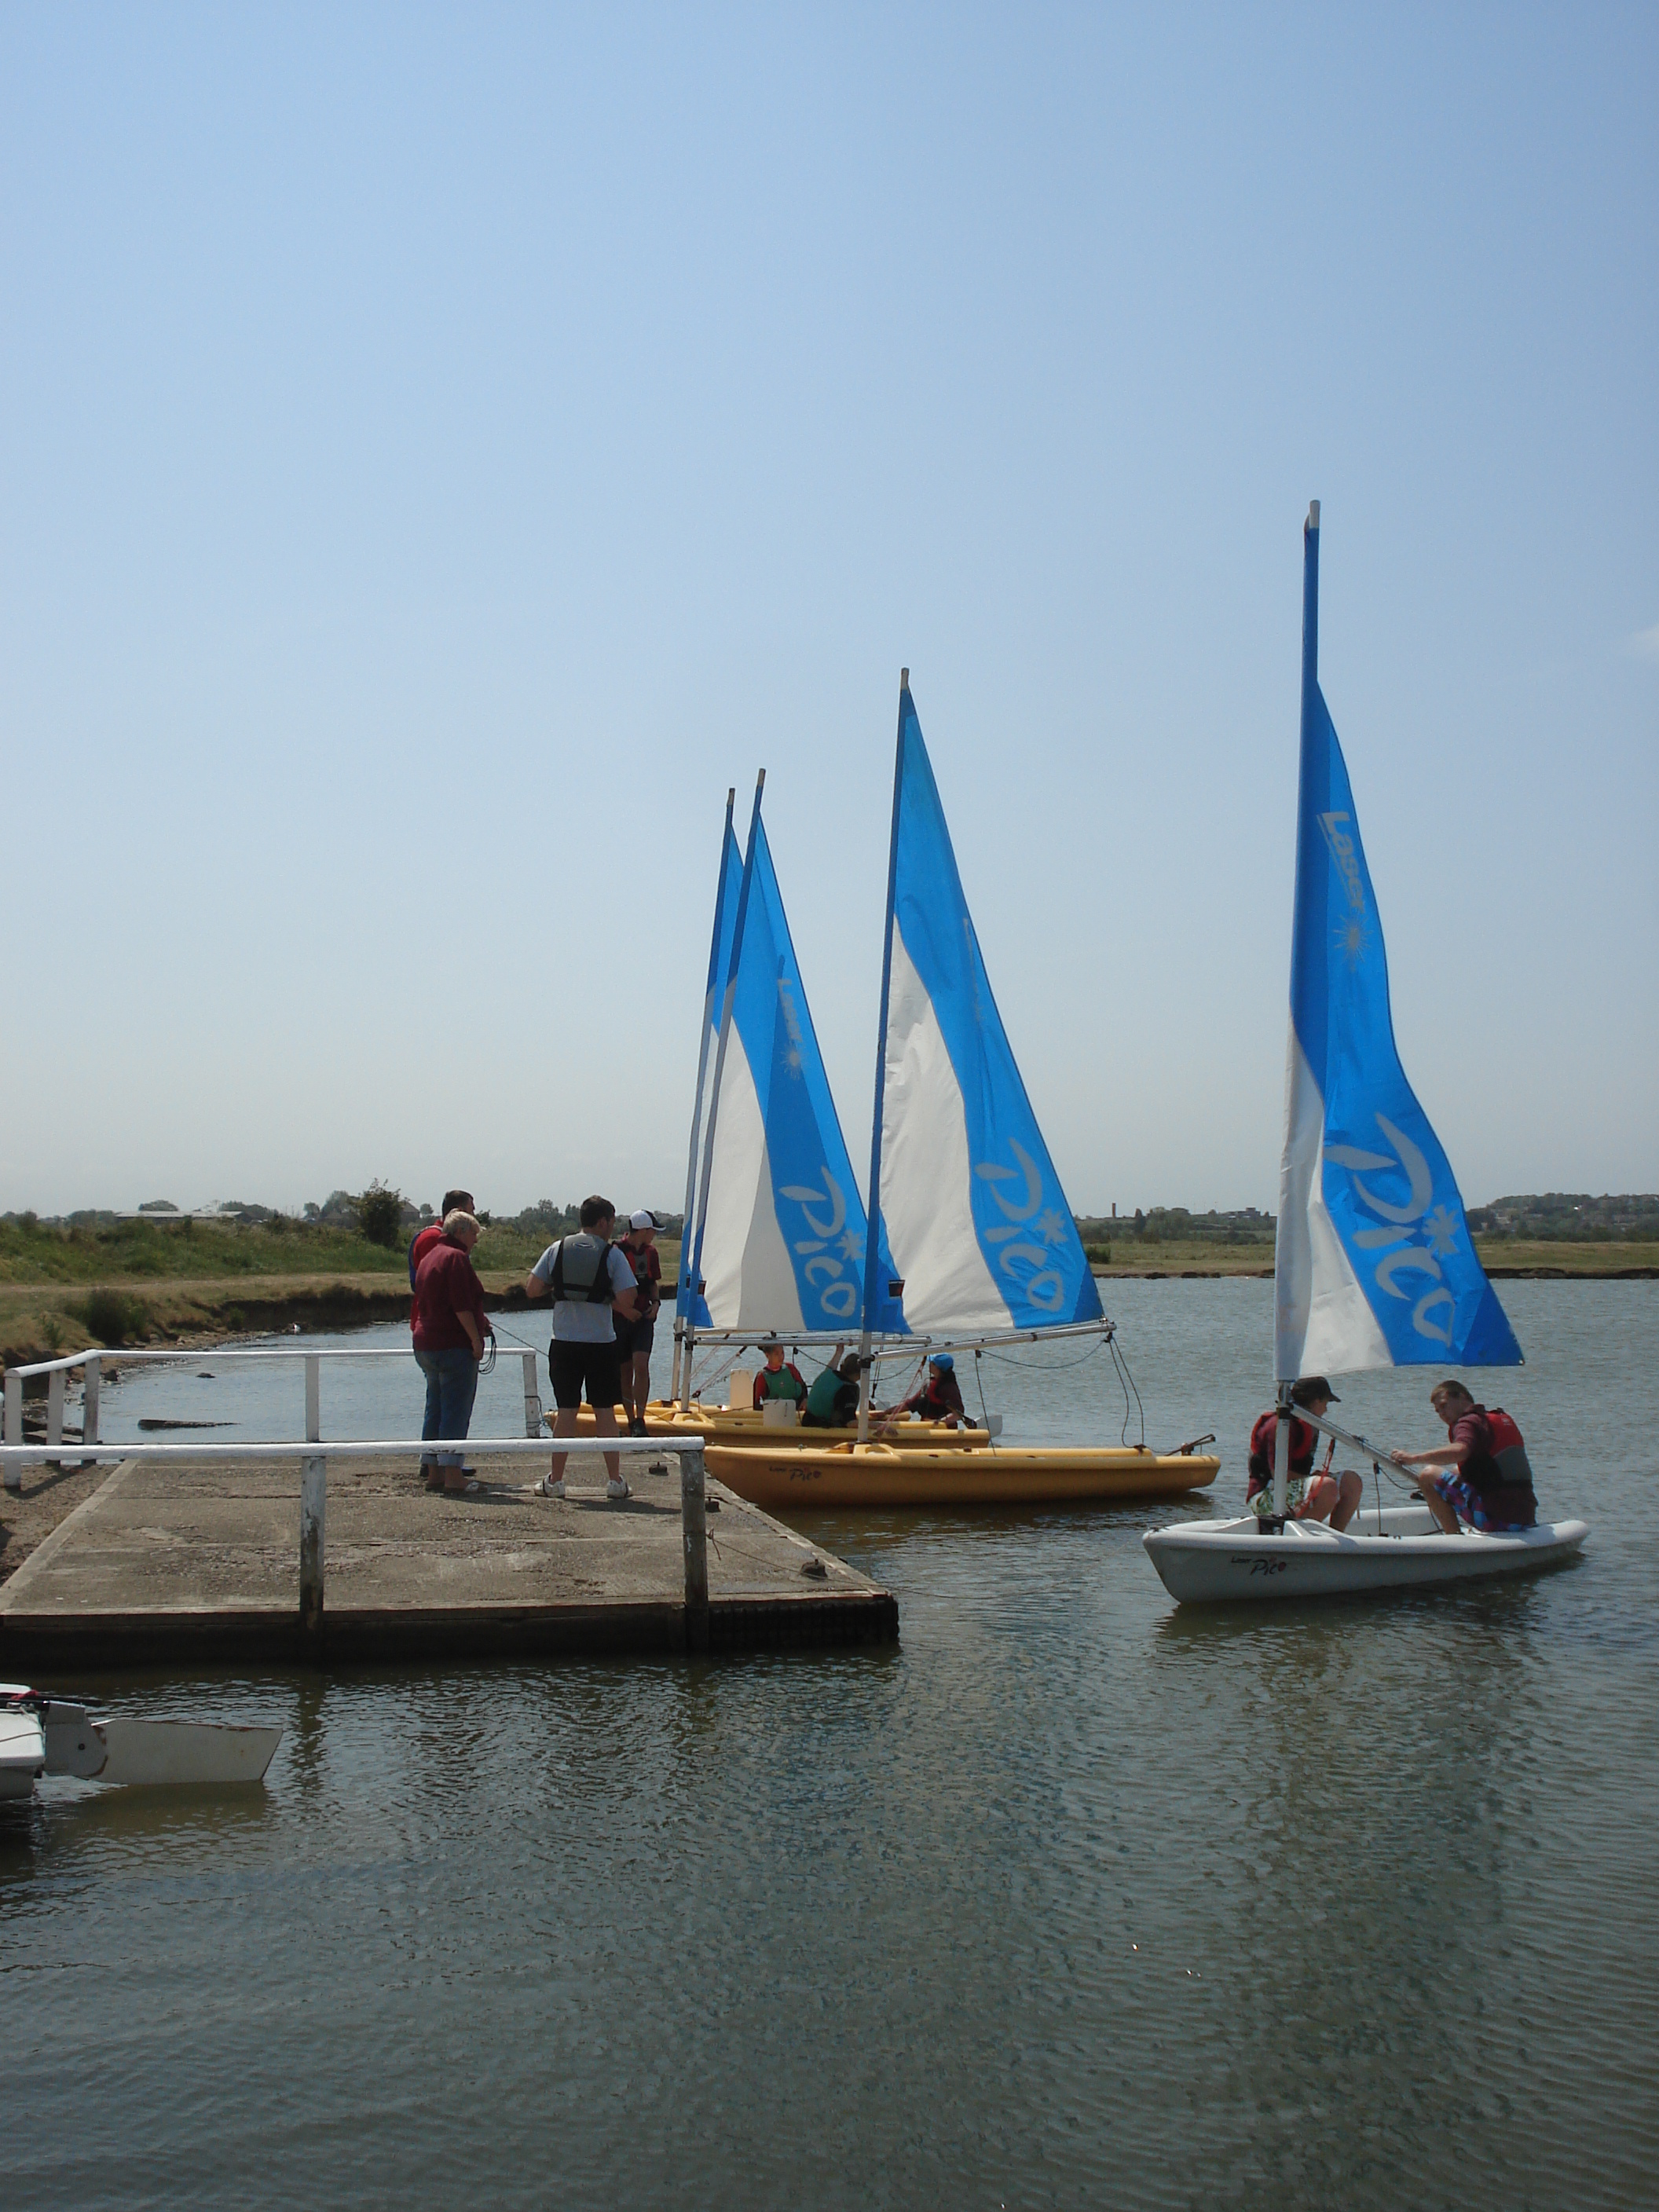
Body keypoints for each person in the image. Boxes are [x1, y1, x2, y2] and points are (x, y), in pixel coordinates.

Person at [525, 1196, 639, 1500]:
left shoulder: (557, 1249)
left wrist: (560, 1287)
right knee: (605, 1413)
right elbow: (628, 1299)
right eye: (612, 1222)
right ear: (602, 1222)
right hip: (601, 1344)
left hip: (564, 1343)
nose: (613, 1229)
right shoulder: (612, 1255)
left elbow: (532, 1289)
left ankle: (556, 1481)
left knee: (566, 1412)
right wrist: (604, 1296)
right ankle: (615, 1482)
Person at [1390, 1380, 1538, 1533]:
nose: (1442, 1414)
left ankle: (1453, 1537)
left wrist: (1414, 1458)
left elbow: (1461, 1450)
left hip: (1495, 1520)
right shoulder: (1492, 1420)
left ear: (1462, 1397)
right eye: (1438, 1411)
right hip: (1525, 1518)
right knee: (1456, 1472)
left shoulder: (1467, 1422)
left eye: (1444, 1405)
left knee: (1427, 1476)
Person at [411, 1210, 490, 1495]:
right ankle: (454, 1476)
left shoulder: (430, 1256)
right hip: (451, 1344)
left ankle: (434, 1472)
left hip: (425, 1343)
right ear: (460, 1232)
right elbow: (460, 1306)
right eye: (473, 1234)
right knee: (456, 1410)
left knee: (435, 1407)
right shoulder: (456, 1258)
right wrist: (476, 1339)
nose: (476, 1240)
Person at [1244, 1376, 1363, 1529]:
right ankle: (1303, 1539)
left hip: (1292, 1488)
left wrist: (1312, 1479)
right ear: (1315, 1402)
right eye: (1325, 1403)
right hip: (1266, 1496)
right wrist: (1314, 1479)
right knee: (1327, 1486)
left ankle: (1335, 1540)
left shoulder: (1308, 1425)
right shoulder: (1282, 1426)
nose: (1326, 1409)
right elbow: (1280, 1475)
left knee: (1351, 1482)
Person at [613, 1210, 662, 1436]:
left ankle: (640, 1420)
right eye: (652, 1231)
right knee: (625, 1371)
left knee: (641, 1365)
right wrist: (624, 1309)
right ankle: (630, 1419)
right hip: (620, 1320)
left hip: (643, 1318)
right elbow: (606, 1290)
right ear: (643, 1230)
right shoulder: (615, 1252)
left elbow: (652, 1282)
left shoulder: (651, 1253)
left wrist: (656, 1303)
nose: (654, 1235)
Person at [877, 1352, 974, 1430]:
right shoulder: (929, 1384)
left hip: (943, 1431)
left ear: (937, 1367)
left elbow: (958, 1413)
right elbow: (910, 1404)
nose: (929, 1365)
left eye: (931, 1363)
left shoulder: (949, 1387)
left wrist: (939, 1422)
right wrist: (886, 1412)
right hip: (926, 1428)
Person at [408, 1189, 474, 1295]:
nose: (473, 1216)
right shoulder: (433, 1238)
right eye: (472, 1211)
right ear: (460, 1212)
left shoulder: (452, 1238)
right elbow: (432, 1286)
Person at [802, 1345, 861, 1429]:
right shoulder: (849, 1390)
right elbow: (850, 1423)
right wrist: (876, 1425)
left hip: (807, 1420)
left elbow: (832, 1366)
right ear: (860, 1375)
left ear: (842, 1367)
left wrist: (839, 1352)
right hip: (821, 1427)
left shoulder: (829, 1374)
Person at [753, 1339, 807, 1414]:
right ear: (767, 1355)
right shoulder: (762, 1377)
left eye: (782, 1353)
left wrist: (805, 1400)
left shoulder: (791, 1368)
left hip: (796, 1413)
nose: (781, 1357)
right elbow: (756, 1404)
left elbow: (803, 1387)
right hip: (774, 1417)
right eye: (776, 1354)